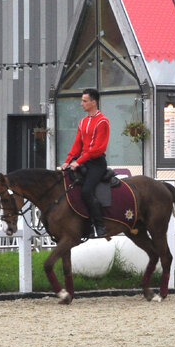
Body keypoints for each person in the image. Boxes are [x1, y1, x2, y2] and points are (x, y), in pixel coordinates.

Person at [62, 88, 110, 238]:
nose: (81, 103)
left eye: (84, 101)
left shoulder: (103, 121)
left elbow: (98, 149)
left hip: (97, 163)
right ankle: (82, 225)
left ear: (93, 102)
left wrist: (79, 161)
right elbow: (77, 145)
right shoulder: (83, 122)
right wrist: (68, 161)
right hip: (84, 162)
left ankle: (99, 226)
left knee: (86, 191)